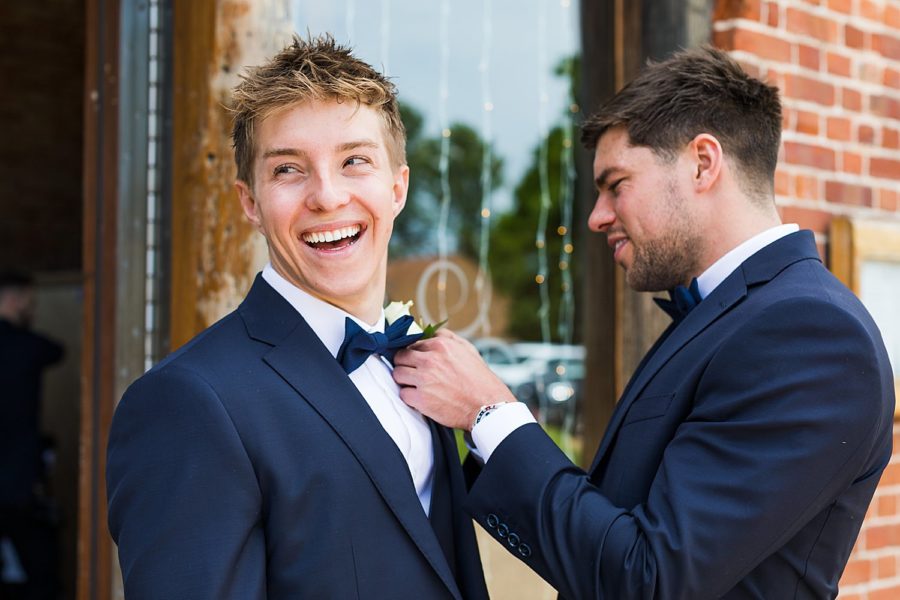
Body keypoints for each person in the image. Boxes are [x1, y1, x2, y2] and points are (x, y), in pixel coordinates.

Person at [394, 45, 895, 599]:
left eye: (616, 184)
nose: (596, 216)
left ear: (703, 163)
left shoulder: (812, 335)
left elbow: (648, 579)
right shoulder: (726, 313)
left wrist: (489, 413)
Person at [106, 34, 488, 600]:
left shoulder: (422, 367)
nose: (328, 197)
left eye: (354, 160)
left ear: (398, 187)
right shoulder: (188, 401)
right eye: (289, 170)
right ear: (250, 202)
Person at [0, 270, 64, 599]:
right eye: (28, 302)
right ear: (11, 299)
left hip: (15, 475)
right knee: (42, 572)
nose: (32, 310)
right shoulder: (24, 346)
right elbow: (55, 350)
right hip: (17, 480)